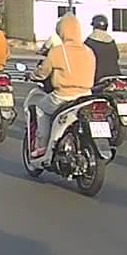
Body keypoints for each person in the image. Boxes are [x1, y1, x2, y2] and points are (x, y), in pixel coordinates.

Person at [26, 14, 95, 160]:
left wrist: (33, 75)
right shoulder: (89, 51)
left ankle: (42, 146)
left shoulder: (58, 51)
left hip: (63, 96)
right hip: (86, 96)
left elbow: (43, 72)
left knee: (41, 108)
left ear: (62, 31)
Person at [84, 14, 121, 84]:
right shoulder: (111, 41)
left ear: (94, 26)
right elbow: (117, 56)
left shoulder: (90, 41)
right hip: (115, 76)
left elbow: (83, 58)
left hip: (97, 77)